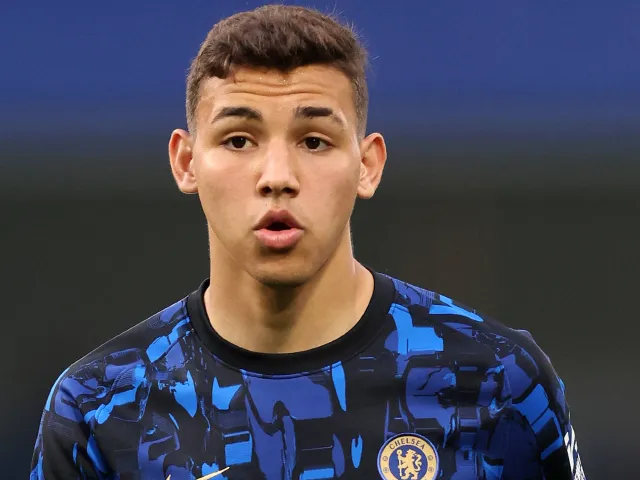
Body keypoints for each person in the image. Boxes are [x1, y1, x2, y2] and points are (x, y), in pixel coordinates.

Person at [30, 5, 586, 480]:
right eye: (239, 139)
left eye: (314, 141)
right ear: (186, 161)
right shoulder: (100, 408)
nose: (277, 176)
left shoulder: (499, 380)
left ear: (367, 165)